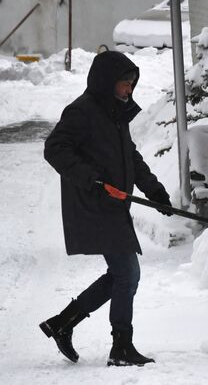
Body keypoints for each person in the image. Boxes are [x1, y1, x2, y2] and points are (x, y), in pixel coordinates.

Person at [40, 51, 172, 367]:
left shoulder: (114, 112)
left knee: (122, 274)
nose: (129, 90)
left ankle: (62, 322)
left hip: (113, 204)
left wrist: (154, 189)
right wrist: (93, 180)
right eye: (124, 84)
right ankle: (121, 347)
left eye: (131, 85)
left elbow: (130, 156)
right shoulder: (82, 112)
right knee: (127, 273)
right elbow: (54, 149)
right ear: (106, 82)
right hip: (95, 203)